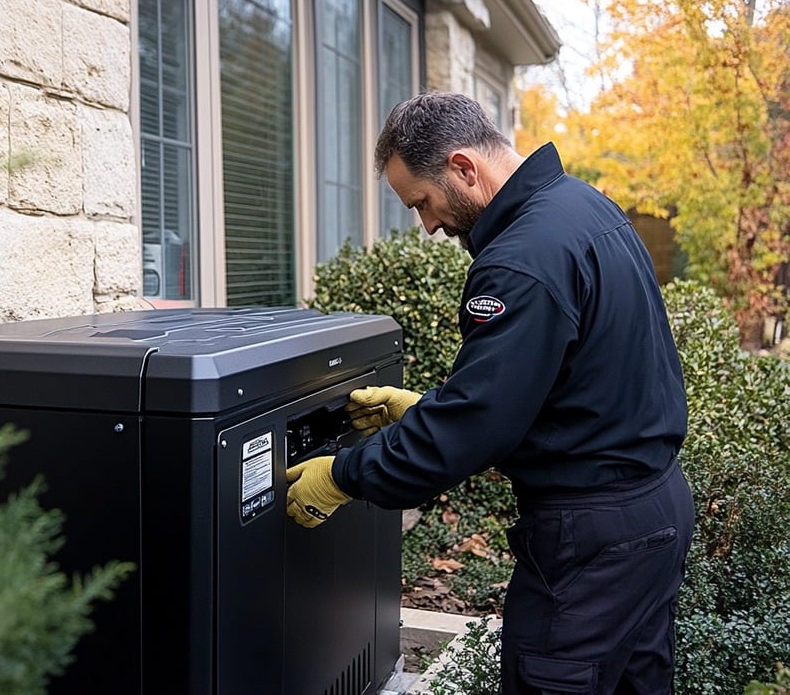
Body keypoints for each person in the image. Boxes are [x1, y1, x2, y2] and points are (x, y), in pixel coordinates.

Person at [285, 91, 695, 694]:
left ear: (463, 168)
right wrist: (428, 410)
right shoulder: (584, 207)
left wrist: (345, 475)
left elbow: (479, 424)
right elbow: (568, 387)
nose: (426, 226)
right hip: (654, 511)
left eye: (421, 203)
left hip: (591, 541)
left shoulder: (520, 259)